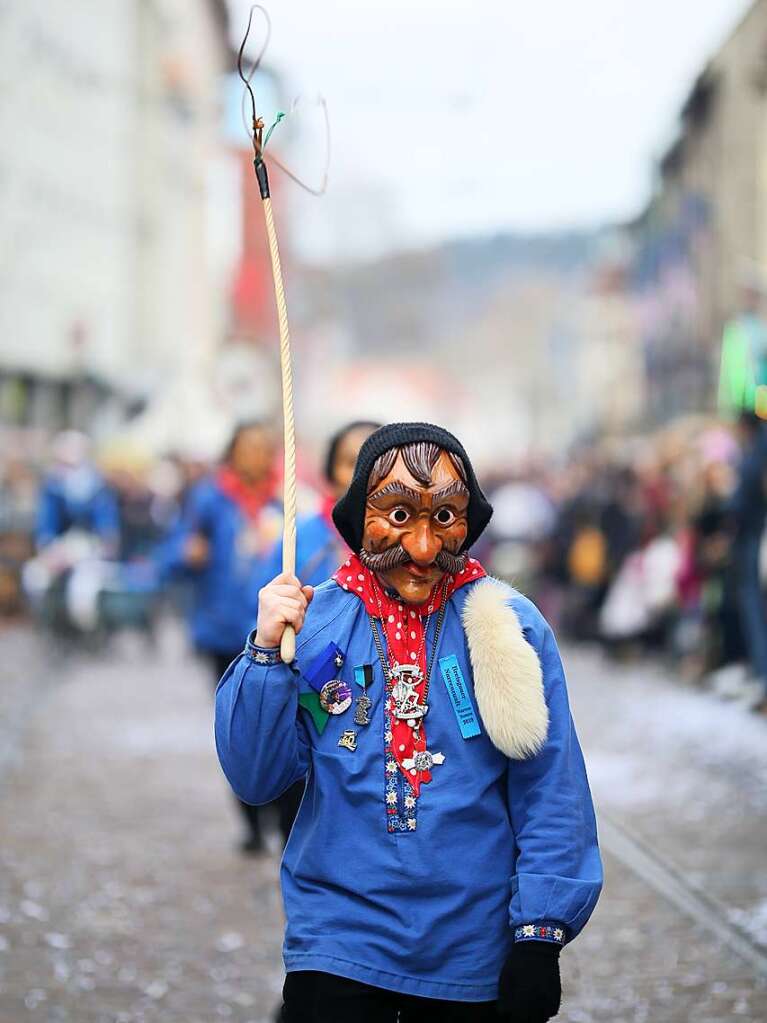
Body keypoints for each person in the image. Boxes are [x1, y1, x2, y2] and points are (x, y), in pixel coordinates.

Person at [216, 422, 602, 1021]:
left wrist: (540, 934)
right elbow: (257, 778)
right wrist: (265, 654)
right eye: (398, 515)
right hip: (338, 943)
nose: (423, 547)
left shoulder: (510, 627)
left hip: (470, 956)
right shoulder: (316, 627)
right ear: (358, 517)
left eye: (444, 518)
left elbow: (550, 788)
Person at [248, 420, 382, 847]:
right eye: (350, 461)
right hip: (314, 674)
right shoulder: (301, 536)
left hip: (381, 684)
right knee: (308, 775)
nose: (362, 471)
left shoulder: (411, 540)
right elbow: (265, 603)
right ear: (331, 471)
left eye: (375, 460)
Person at [165, 420, 282, 853]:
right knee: (239, 724)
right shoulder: (210, 499)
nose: (257, 455)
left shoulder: (285, 499)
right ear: (231, 452)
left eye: (264, 447)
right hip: (223, 630)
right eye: (248, 447)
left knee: (281, 720)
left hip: (277, 629)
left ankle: (279, 809)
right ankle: (251, 819)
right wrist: (188, 553)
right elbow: (175, 552)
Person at [729, 412, 767, 711]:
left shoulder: (760, 444)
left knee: (757, 610)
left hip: (757, 534)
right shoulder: (753, 447)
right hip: (750, 536)